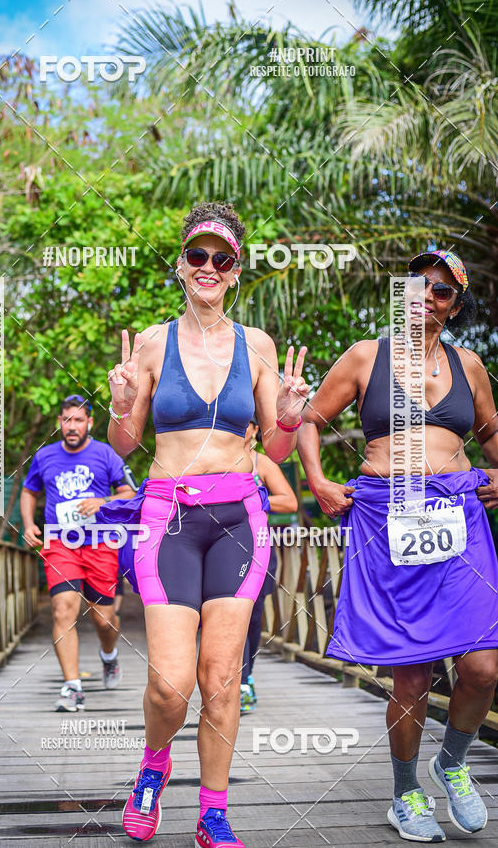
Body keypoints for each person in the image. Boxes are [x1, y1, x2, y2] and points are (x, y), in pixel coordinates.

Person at [105, 202, 309, 847]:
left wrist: (291, 417)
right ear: (181, 264)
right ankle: (153, 767)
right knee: (170, 684)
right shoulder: (151, 342)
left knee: (221, 678)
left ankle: (213, 810)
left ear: (237, 270)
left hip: (237, 518)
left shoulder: (259, 345)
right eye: (198, 255)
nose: (209, 267)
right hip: (167, 515)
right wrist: (118, 406)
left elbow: (272, 453)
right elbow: (122, 442)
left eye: (222, 259)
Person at [296, 248, 498, 842]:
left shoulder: (470, 364)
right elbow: (308, 418)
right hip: (390, 518)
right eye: (419, 287)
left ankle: (453, 763)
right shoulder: (366, 357)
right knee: (411, 677)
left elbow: (491, 432)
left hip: (459, 516)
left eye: (442, 292)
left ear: (455, 305)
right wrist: (318, 481)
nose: (428, 299)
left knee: (484, 668)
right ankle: (406, 791)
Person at [21, 394, 136, 711]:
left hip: (100, 542)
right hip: (60, 542)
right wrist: (30, 524)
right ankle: (72, 688)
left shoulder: (106, 454)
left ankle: (109, 656)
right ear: (59, 423)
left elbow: (130, 492)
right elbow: (29, 491)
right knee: (63, 610)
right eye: (66, 420)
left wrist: (104, 502)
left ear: (89, 423)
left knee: (104, 619)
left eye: (78, 420)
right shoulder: (44, 456)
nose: (72, 426)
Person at [240, 415, 298, 713]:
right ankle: (224, 680)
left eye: (245, 424)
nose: (239, 429)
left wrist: (255, 497)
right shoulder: (214, 458)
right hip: (216, 546)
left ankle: (245, 680)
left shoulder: (261, 463)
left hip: (257, 548)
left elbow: (289, 501)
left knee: (251, 618)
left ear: (255, 430)